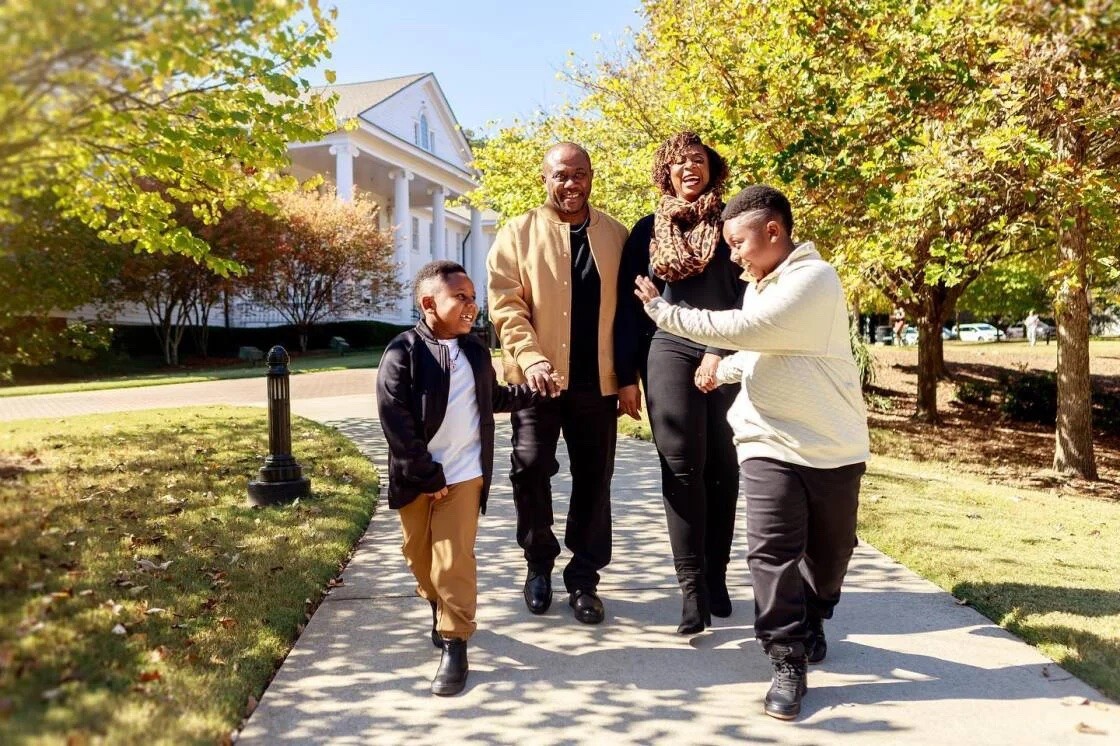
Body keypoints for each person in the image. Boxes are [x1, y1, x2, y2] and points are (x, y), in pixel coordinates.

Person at [634, 185, 869, 720]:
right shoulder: (759, 286)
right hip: (766, 439)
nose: (734, 255)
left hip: (830, 445)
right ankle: (786, 658)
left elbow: (754, 331)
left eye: (738, 243)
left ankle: (814, 613)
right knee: (771, 551)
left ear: (773, 232)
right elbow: (764, 353)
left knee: (830, 555)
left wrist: (663, 312)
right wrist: (724, 369)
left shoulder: (815, 279)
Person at [376, 260, 541, 696]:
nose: (472, 305)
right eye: (460, 297)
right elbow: (397, 424)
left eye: (473, 297)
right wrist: (428, 476)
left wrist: (535, 392)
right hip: (418, 477)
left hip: (465, 473)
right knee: (419, 558)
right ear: (429, 304)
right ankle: (438, 605)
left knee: (453, 561)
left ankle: (455, 642)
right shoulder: (402, 353)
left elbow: (492, 398)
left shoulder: (475, 351)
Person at [487, 142, 629, 625]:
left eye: (579, 174)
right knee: (529, 469)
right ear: (544, 179)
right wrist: (530, 359)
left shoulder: (616, 235)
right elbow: (506, 306)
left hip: (596, 384)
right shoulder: (516, 234)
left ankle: (584, 578)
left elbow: (630, 315)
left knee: (594, 480)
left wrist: (628, 378)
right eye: (561, 175)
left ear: (591, 176)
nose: (571, 184)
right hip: (537, 383)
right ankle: (538, 563)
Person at [614, 132, 746, 634]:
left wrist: (719, 350)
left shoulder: (733, 224)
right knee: (681, 466)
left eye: (699, 160)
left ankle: (717, 576)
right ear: (665, 174)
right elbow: (629, 308)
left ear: (712, 168)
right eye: (679, 162)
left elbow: (748, 291)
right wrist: (626, 375)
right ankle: (691, 590)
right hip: (667, 348)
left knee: (723, 467)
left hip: (726, 345)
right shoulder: (647, 231)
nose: (690, 168)